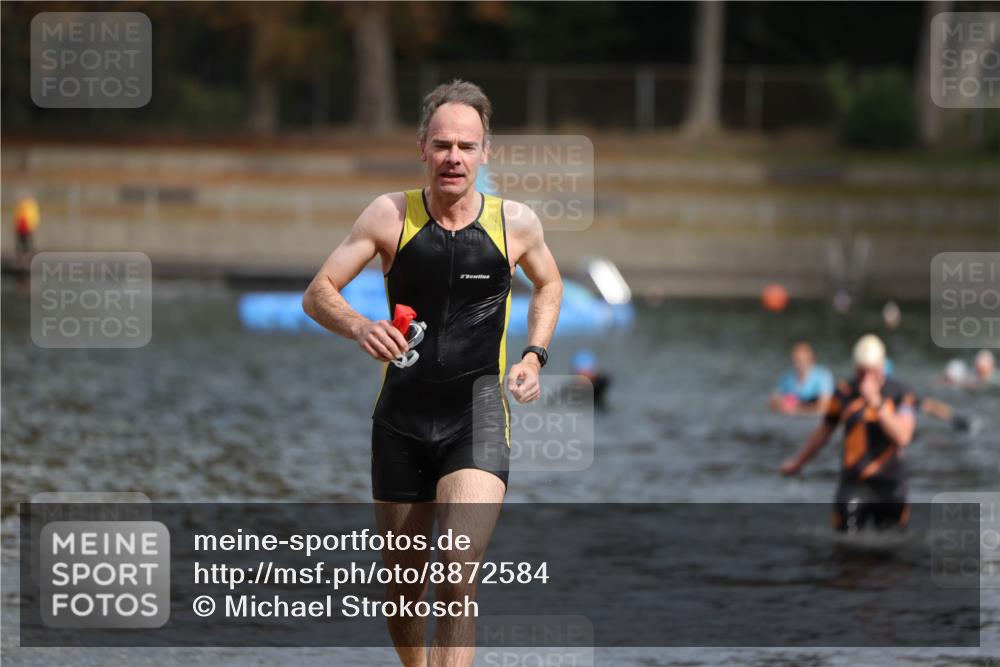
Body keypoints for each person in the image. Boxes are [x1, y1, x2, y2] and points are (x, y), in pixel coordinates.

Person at [302, 80, 562, 667]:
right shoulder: (389, 214)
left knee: (456, 573)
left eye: (466, 146)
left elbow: (550, 283)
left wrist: (533, 355)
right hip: (401, 422)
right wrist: (359, 326)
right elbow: (318, 292)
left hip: (478, 419)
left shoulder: (515, 224)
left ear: (485, 152)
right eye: (442, 144)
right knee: (403, 590)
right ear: (423, 147)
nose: (453, 157)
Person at [779, 334, 918, 532]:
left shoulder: (900, 393)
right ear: (855, 368)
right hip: (854, 483)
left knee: (894, 545)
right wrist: (798, 463)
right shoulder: (844, 392)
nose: (867, 378)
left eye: (872, 371)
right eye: (862, 372)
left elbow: (903, 437)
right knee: (845, 543)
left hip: (890, 485)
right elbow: (824, 432)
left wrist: (876, 403)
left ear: (881, 366)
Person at [769, 342, 834, 415]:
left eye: (802, 360)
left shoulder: (823, 376)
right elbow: (773, 401)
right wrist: (780, 404)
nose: (798, 365)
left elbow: (823, 407)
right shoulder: (787, 378)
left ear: (811, 360)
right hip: (797, 410)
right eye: (796, 361)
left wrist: (797, 410)